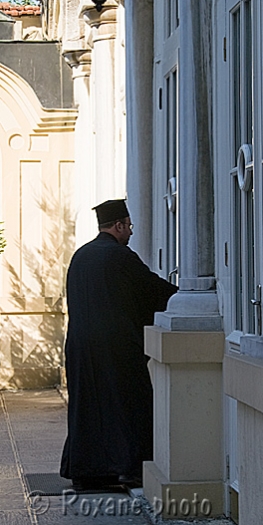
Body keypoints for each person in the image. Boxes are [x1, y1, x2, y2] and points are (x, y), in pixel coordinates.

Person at [60, 199, 177, 490]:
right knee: (128, 406)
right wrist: (184, 293)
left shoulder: (80, 256)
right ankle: (128, 468)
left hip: (79, 348)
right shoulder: (121, 256)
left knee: (87, 407)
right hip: (116, 348)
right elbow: (152, 291)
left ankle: (87, 471)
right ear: (119, 225)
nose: (131, 233)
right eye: (129, 227)